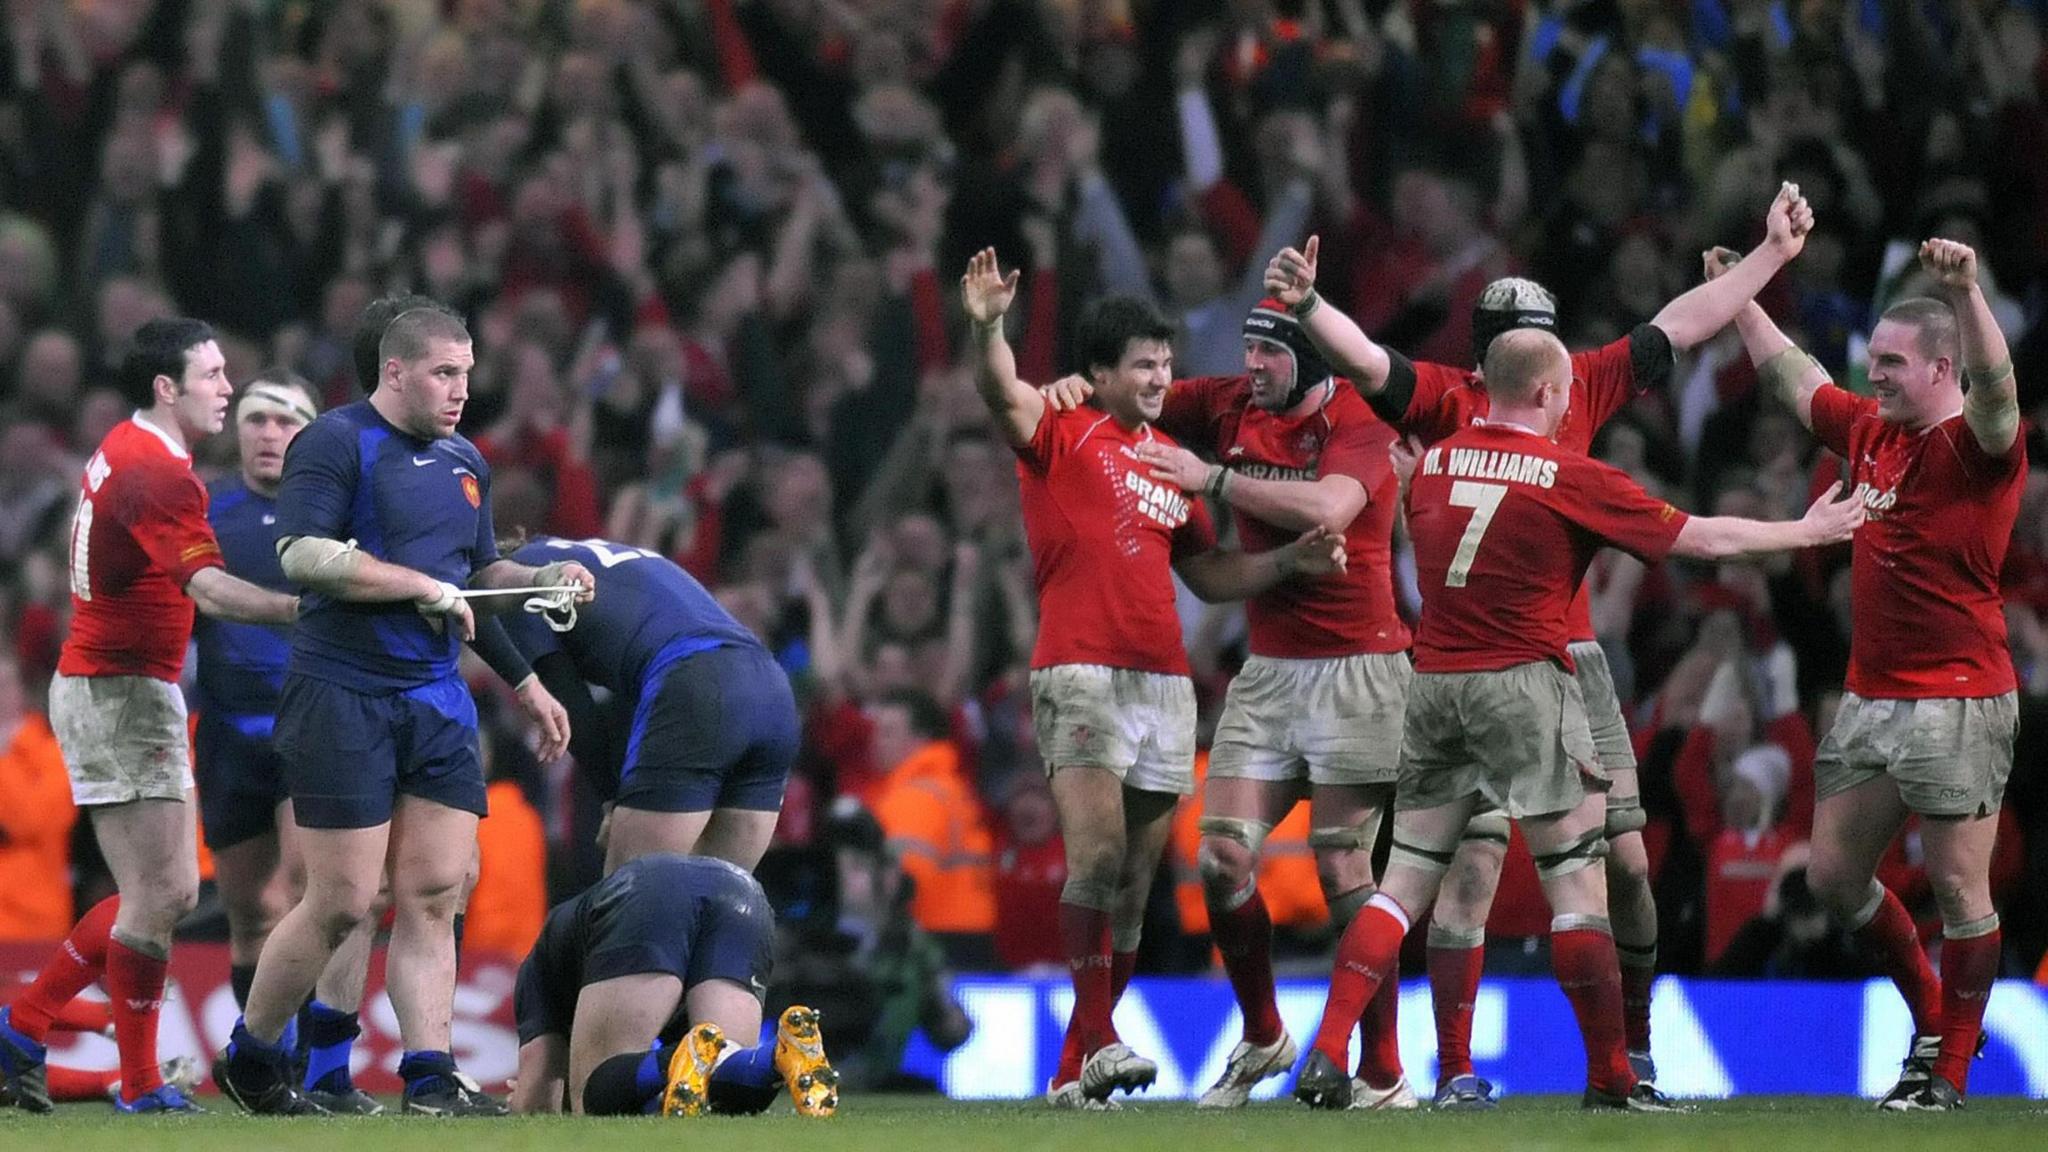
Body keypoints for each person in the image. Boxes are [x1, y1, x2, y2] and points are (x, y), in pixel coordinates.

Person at [1263, 183, 1816, 1107]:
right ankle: (1544, 1068)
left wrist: (1311, 307)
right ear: (1535, 371)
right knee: (1561, 877)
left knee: (1521, 871)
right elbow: (1693, 486)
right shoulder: (1540, 428)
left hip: (1456, 666)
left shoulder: (1446, 439)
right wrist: (1807, 529)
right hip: (1537, 671)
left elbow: (1676, 323)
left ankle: (1371, 1048)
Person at [959, 249, 1346, 1108]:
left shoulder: (1173, 461)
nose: (1161, 377)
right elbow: (1000, 392)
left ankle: (1073, 1070)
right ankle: (1099, 1040)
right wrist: (989, 327)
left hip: (1164, 684)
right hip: (1082, 671)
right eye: (1143, 364)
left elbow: (1208, 575)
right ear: (1098, 373)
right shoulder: (1060, 431)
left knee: (1134, 886)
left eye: (1167, 364)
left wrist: (1290, 560)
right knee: (1093, 859)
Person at [215, 305, 595, 1116]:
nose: (461, 390)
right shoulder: (336, 441)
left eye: (465, 373)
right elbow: (304, 555)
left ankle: (430, 1077)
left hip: (435, 700)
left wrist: (541, 591)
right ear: (394, 371)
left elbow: (478, 574)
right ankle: (251, 1054)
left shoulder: (466, 461)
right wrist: (421, 586)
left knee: (433, 892)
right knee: (342, 901)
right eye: (443, 374)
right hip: (342, 693)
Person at [1039, 297, 1415, 1109]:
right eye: (1245, 349)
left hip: (1360, 668)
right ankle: (1262, 1033)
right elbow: (1122, 389)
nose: (1250, 365)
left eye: (1269, 353)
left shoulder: (1362, 419)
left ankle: (1380, 1070)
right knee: (1219, 859)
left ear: (1311, 361)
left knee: (1344, 865)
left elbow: (1330, 509)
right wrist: (1075, 383)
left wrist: (1211, 478)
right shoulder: (1228, 403)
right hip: (1270, 672)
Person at [1712, 237, 2024, 1111]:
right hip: (1873, 695)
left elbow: (2000, 395)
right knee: (1831, 877)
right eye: (1873, 358)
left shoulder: (1977, 447)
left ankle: (1950, 1076)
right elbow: (1797, 379)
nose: (1874, 373)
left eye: (1892, 362)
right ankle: (1931, 1016)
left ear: (1941, 368)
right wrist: (1740, 297)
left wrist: (1966, 294)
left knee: (1963, 890)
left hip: (1959, 695)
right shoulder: (1873, 431)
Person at [0, 318, 300, 1116]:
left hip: (121, 684)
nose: (227, 389)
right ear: (166, 389)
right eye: (212, 375)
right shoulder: (157, 472)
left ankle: (26, 1030)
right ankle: (120, 1076)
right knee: (162, 892)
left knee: (156, 892)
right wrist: (300, 609)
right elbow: (207, 589)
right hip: (120, 690)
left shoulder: (135, 449)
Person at [190, 370, 387, 1114]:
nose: (270, 433)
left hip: (311, 726)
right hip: (228, 734)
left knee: (316, 891)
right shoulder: (207, 509)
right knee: (248, 910)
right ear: (236, 429)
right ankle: (260, 1066)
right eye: (257, 419)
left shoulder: (336, 511)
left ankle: (312, 1062)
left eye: (286, 421)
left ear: (310, 433)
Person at [502, 533, 796, 873]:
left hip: (695, 679)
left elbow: (571, 707)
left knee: (634, 905)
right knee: (719, 904)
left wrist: (612, 798)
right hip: (771, 686)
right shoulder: (601, 551)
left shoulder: (513, 582)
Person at [506, 852, 837, 1118]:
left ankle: (670, 1059)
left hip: (647, 893)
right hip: (741, 891)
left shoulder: (537, 967)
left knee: (594, 1097)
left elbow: (536, 1099)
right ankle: (776, 1058)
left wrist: (518, 1103)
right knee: (723, 1090)